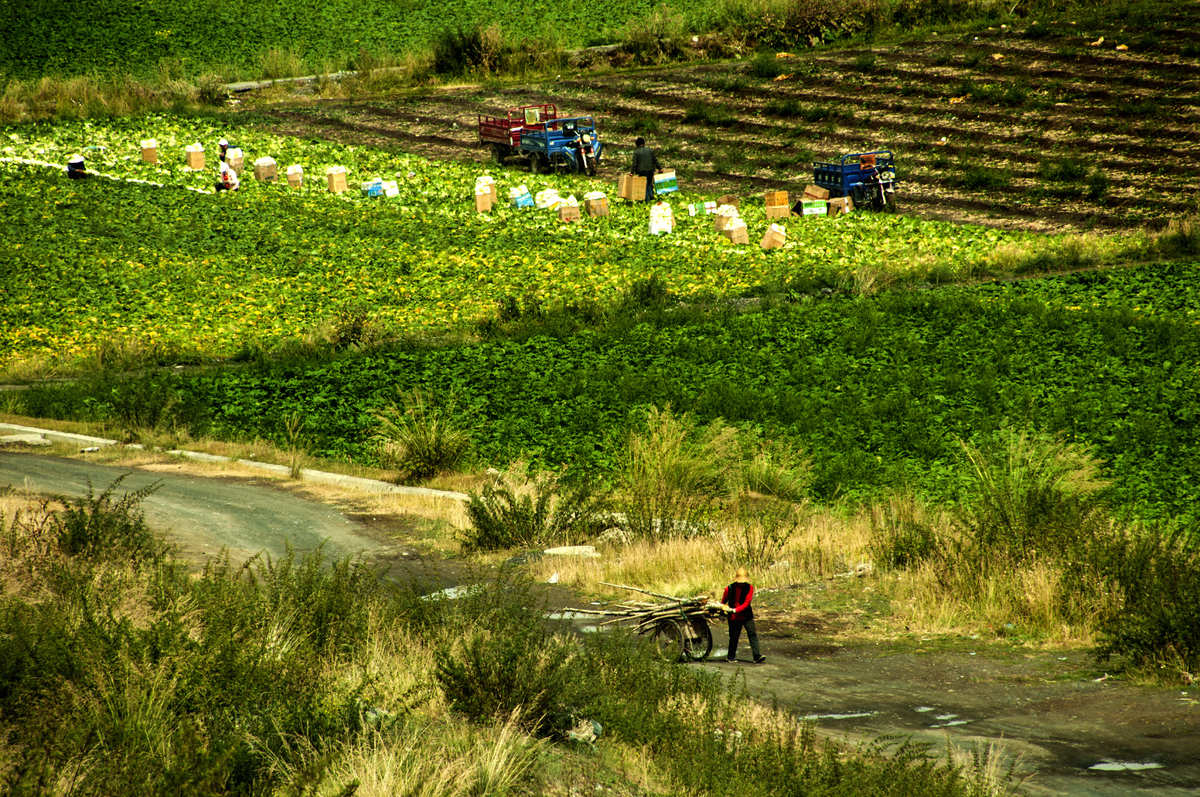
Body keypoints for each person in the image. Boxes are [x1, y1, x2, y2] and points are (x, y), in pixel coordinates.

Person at [722, 567, 765, 663]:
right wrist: (724, 609)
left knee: (752, 634)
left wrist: (735, 610)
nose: (741, 583)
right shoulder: (728, 588)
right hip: (734, 617)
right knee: (734, 637)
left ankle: (756, 656)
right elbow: (723, 602)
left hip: (746, 615)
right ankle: (730, 657)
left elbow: (746, 603)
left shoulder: (750, 588)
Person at [630, 136, 660, 202]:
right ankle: (652, 197)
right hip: (650, 171)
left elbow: (634, 164)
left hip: (642, 171)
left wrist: (632, 172)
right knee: (649, 184)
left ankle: (647, 200)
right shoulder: (650, 150)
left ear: (637, 144)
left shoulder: (636, 152)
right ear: (644, 143)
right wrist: (660, 168)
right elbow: (655, 160)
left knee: (644, 186)